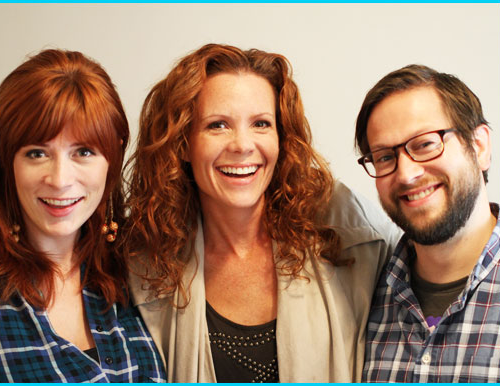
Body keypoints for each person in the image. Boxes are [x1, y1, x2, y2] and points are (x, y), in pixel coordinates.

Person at [122, 43, 402, 382]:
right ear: (183, 143)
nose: (242, 145)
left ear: (282, 138)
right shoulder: (143, 259)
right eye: (217, 125)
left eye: (261, 123)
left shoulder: (345, 231)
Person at [0, 49, 165, 382]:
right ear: (5, 161)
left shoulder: (139, 271)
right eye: (37, 153)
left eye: (83, 152)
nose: (60, 179)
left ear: (113, 156)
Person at [355, 64, 500, 382]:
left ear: (479, 146)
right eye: (384, 157)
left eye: (424, 144)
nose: (406, 174)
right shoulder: (363, 294)